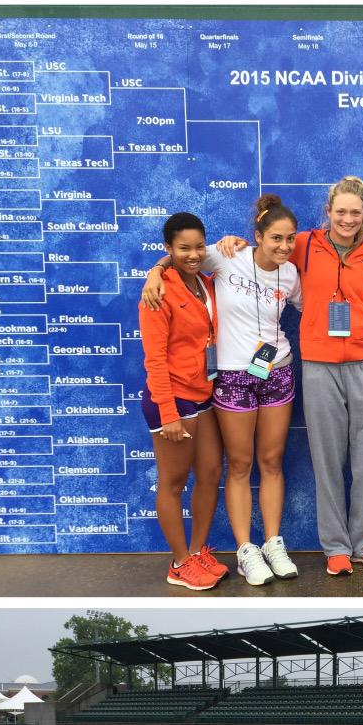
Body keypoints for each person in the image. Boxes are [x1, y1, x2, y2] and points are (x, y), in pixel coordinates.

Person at [217, 176, 363, 574]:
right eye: (340, 211)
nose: (348, 219)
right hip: (318, 369)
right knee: (327, 461)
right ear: (327, 212)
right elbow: (265, 250)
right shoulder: (303, 244)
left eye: (355, 213)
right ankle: (335, 549)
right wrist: (234, 243)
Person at [142, 194, 303, 586]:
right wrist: (153, 272)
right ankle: (244, 551)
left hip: (274, 371)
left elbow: (318, 310)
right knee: (239, 464)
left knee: (269, 461)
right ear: (257, 235)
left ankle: (271, 543)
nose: (283, 246)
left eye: (290, 239)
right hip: (228, 378)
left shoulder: (292, 274)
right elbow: (179, 259)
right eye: (275, 238)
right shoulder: (224, 256)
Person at [138, 212, 227, 590]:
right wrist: (169, 413)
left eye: (198, 247)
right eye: (183, 248)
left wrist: (156, 267)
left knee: (210, 474)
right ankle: (178, 564)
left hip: (203, 394)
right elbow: (154, 358)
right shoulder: (157, 292)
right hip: (170, 398)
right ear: (168, 249)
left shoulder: (205, 281)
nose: (192, 254)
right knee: (173, 484)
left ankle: (196, 552)